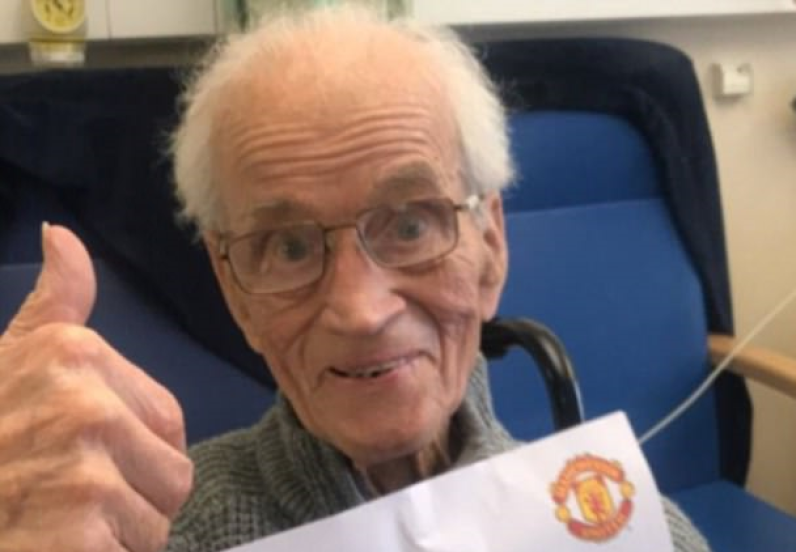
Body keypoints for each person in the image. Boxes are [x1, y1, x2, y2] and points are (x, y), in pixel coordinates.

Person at [0, 6, 710, 552]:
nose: (360, 310)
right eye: (288, 247)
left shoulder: (626, 531)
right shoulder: (141, 534)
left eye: (410, 225)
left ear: (490, 245)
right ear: (233, 287)